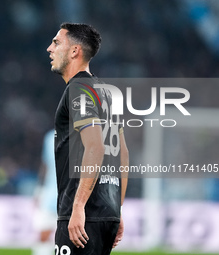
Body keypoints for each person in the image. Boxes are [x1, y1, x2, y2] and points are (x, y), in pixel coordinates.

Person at [47, 23, 129, 255]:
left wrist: (79, 206)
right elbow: (122, 153)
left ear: (74, 51)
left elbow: (95, 146)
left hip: (84, 214)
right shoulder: (106, 93)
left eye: (56, 42)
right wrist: (117, 208)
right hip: (107, 213)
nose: (49, 49)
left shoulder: (79, 89)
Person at [32, 129, 57, 255]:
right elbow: (45, 165)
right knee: (43, 234)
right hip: (51, 194)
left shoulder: (84, 134)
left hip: (73, 196)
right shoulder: (50, 137)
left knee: (73, 237)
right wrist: (39, 190)